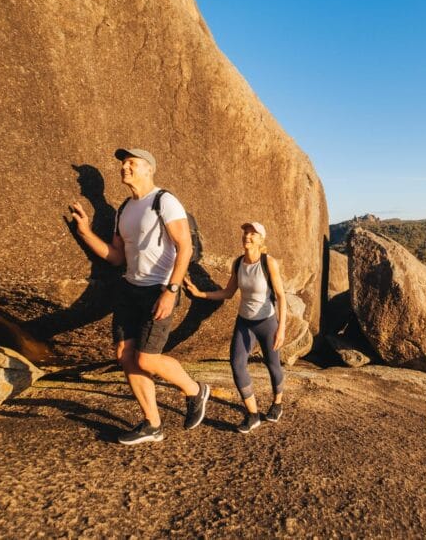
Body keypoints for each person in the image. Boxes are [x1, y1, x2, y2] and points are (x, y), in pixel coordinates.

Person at [68, 148, 210, 445]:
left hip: (159, 289)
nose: (125, 168)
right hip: (130, 289)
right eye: (123, 164)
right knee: (124, 355)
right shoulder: (124, 209)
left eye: (132, 163)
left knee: (146, 359)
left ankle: (195, 390)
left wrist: (171, 291)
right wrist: (85, 232)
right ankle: (152, 424)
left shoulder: (164, 201)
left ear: (149, 169)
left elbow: (184, 247)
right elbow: (117, 257)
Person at [185, 222, 287, 433]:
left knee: (272, 364)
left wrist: (282, 327)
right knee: (237, 364)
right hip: (245, 321)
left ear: (261, 240)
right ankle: (253, 414)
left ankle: (277, 403)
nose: (247, 237)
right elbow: (228, 292)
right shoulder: (238, 263)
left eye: (252, 234)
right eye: (245, 233)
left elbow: (280, 296)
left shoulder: (269, 263)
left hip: (267, 321)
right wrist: (200, 294)